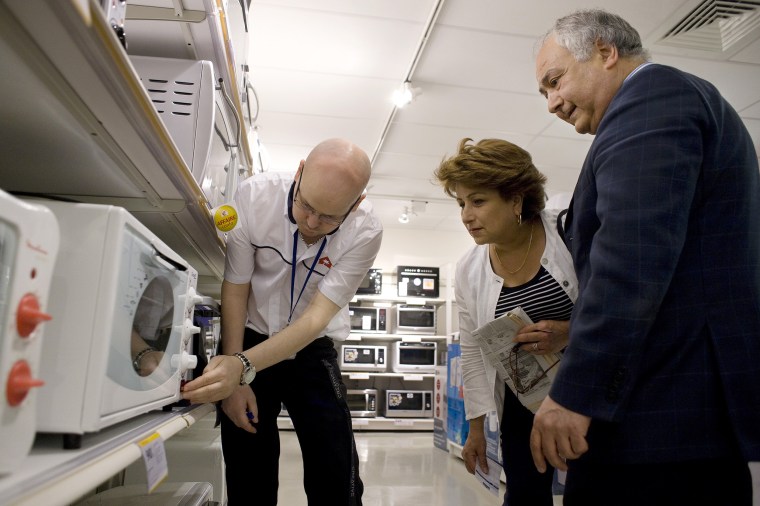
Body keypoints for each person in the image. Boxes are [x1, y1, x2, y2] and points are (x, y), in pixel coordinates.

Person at [531, 9, 760, 505]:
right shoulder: (664, 106)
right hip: (675, 424)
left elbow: (631, 260)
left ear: (606, 53)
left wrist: (576, 392)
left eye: (555, 81)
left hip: (661, 425)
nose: (551, 103)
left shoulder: (651, 101)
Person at [181, 138, 382, 506]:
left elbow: (317, 316)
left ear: (356, 205)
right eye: (305, 205)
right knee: (248, 465)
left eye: (329, 217)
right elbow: (236, 286)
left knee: (336, 466)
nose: (311, 222)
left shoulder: (366, 231)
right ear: (300, 170)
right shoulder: (255, 197)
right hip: (249, 337)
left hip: (312, 346)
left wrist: (239, 367)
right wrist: (236, 372)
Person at [434, 137, 577, 506]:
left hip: (586, 390)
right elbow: (473, 351)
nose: (466, 215)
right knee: (525, 495)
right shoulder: (469, 270)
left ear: (516, 200)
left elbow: (614, 305)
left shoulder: (568, 232)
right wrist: (476, 429)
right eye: (462, 203)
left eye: (478, 201)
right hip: (523, 399)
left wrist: (570, 331)